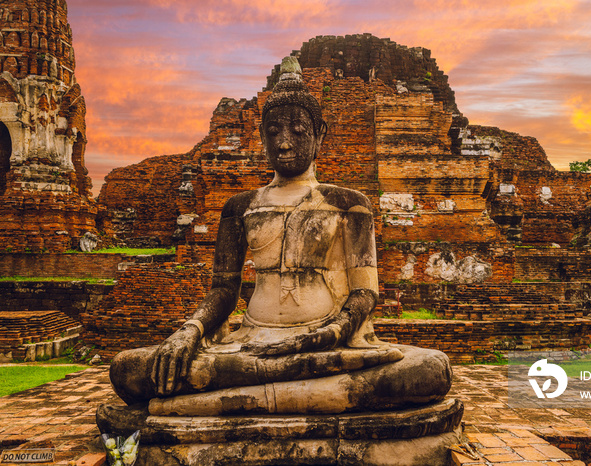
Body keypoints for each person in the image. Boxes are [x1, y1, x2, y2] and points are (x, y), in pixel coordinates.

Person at [109, 57, 451, 415]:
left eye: (298, 132)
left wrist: (333, 332)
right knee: (128, 370)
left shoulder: (349, 204)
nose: (284, 144)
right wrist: (189, 331)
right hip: (251, 345)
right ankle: (307, 396)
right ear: (261, 138)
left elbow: (365, 293)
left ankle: (224, 402)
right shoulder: (239, 207)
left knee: (429, 370)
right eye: (273, 133)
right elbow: (224, 292)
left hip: (324, 344)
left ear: (320, 134)